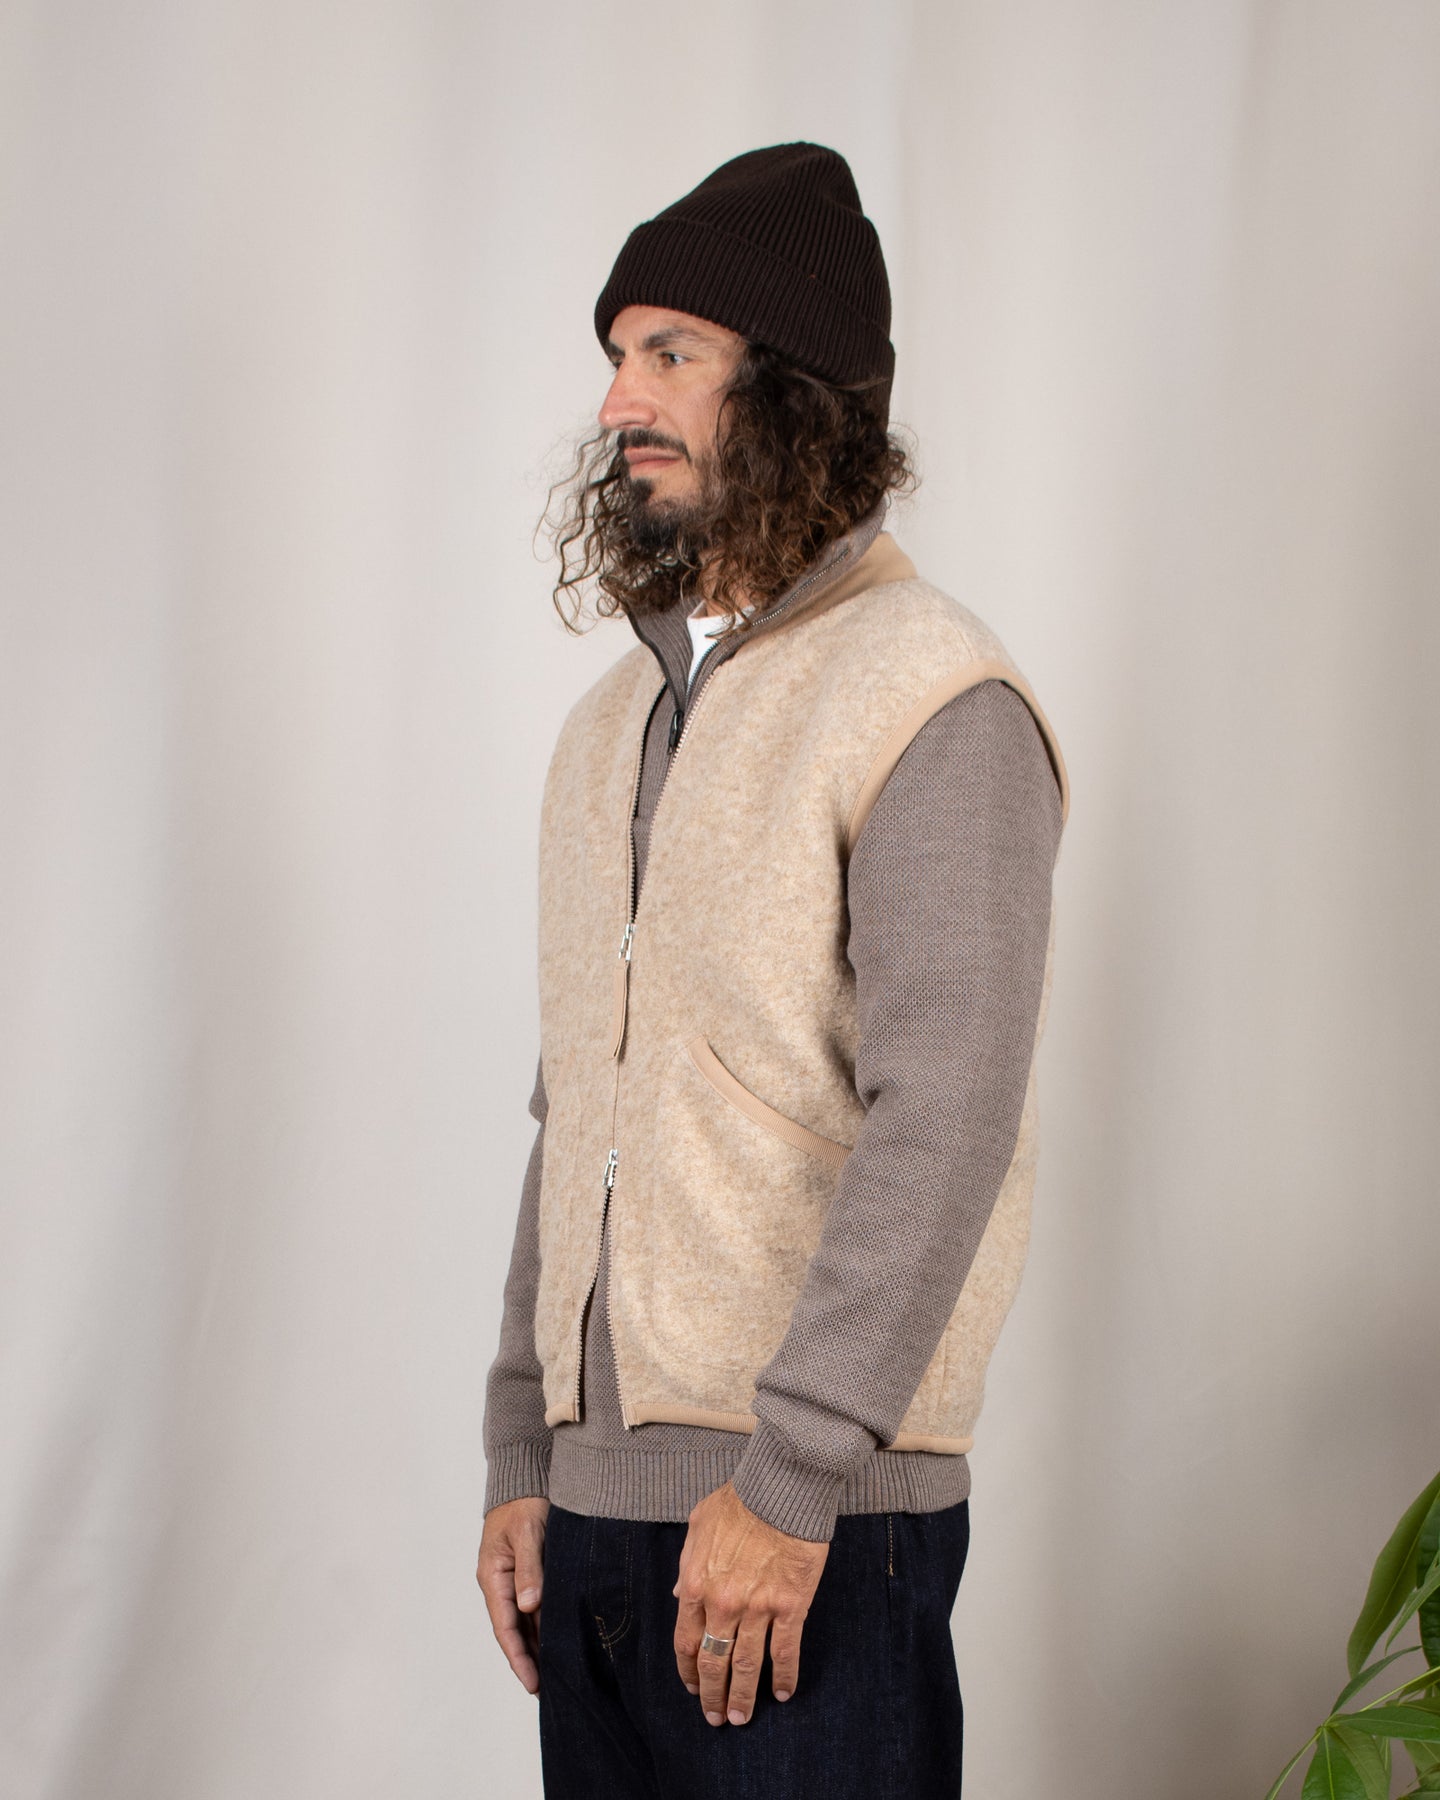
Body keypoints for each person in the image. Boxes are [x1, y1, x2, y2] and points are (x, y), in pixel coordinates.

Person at [476, 141, 1069, 1799]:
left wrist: (793, 1479)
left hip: (806, 1532)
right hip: (591, 1526)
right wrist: (525, 1441)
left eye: (671, 353)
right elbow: (576, 1109)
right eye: (618, 355)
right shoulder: (612, 726)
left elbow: (947, 1115)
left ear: (798, 390)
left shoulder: (932, 696)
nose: (620, 402)